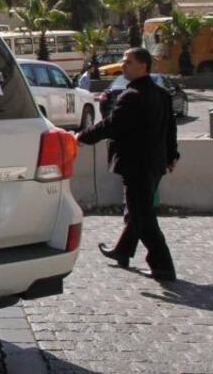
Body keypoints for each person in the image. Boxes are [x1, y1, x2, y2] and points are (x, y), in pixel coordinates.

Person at [76, 47, 179, 282]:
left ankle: (163, 265)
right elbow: (170, 128)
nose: (123, 66)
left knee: (142, 216)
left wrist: (82, 137)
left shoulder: (131, 96)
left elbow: (111, 125)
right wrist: (172, 155)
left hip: (136, 165)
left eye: (128, 62)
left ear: (143, 66)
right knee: (138, 211)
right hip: (155, 164)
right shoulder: (161, 95)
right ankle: (123, 251)